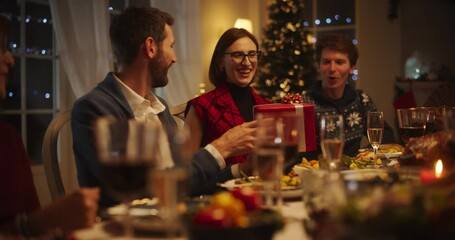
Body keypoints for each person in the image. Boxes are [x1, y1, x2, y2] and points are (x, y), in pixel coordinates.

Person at [71, 7, 257, 210]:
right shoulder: (94, 109)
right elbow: (142, 191)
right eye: (171, 46)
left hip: (168, 221)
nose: (174, 57)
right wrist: (221, 148)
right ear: (150, 48)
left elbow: (184, 181)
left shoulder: (159, 107)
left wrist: (239, 169)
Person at [0, 15, 99, 238]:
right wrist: (35, 225)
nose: (10, 60)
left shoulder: (9, 139)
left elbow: (36, 225)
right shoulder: (94, 107)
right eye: (1, 49)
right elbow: (33, 225)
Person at [301, 33, 395, 159]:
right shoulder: (305, 103)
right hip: (318, 174)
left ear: (351, 68)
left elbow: (386, 135)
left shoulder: (361, 100)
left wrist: (363, 156)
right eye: (326, 62)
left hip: (354, 173)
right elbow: (298, 153)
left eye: (339, 62)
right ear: (319, 66)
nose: (332, 68)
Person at [184, 28, 270, 166]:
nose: (247, 62)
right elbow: (185, 169)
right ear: (220, 61)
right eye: (237, 55)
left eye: (252, 54)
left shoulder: (267, 106)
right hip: (218, 187)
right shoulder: (201, 107)